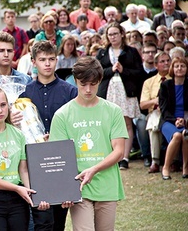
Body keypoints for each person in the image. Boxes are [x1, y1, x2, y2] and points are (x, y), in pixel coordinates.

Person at [50, 56, 127, 231]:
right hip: (78, 187)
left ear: (99, 80)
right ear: (75, 80)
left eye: (93, 84)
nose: (87, 89)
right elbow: (58, 157)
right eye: (83, 83)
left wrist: (94, 169)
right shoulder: (62, 115)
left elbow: (119, 151)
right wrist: (65, 190)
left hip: (107, 185)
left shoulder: (113, 111)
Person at [0, 86, 48, 231]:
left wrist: (34, 194)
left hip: (17, 199)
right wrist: (17, 188)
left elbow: (23, 170)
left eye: (3, 105)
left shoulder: (18, 134)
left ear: (9, 106)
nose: (0, 110)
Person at [19, 40, 77, 231]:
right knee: (42, 221)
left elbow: (75, 124)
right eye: (42, 59)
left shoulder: (69, 91)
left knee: (59, 220)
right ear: (33, 62)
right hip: (34, 163)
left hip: (62, 161)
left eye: (51, 59)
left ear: (57, 60)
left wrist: (58, 134)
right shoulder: (24, 93)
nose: (47, 64)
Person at [96, 22, 145, 169]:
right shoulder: (102, 52)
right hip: (108, 91)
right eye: (110, 34)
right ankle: (110, 156)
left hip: (126, 92)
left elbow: (140, 73)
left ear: (122, 34)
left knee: (127, 124)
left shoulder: (131, 52)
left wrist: (124, 70)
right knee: (107, 123)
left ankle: (124, 157)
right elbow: (97, 73)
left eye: (115, 33)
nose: (113, 37)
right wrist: (111, 70)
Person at [140, 51, 171, 173]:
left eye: (168, 60)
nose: (166, 63)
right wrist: (156, 101)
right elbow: (143, 104)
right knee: (153, 124)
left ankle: (173, 161)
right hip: (155, 112)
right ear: (156, 65)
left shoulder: (176, 79)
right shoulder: (149, 82)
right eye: (162, 61)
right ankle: (155, 161)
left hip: (171, 112)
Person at [159, 57, 188, 180]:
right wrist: (175, 120)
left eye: (183, 66)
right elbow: (164, 109)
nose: (180, 68)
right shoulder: (165, 85)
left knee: (186, 134)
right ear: (172, 68)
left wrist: (185, 121)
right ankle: (166, 167)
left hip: (186, 120)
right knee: (177, 135)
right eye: (177, 66)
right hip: (169, 120)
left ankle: (186, 168)